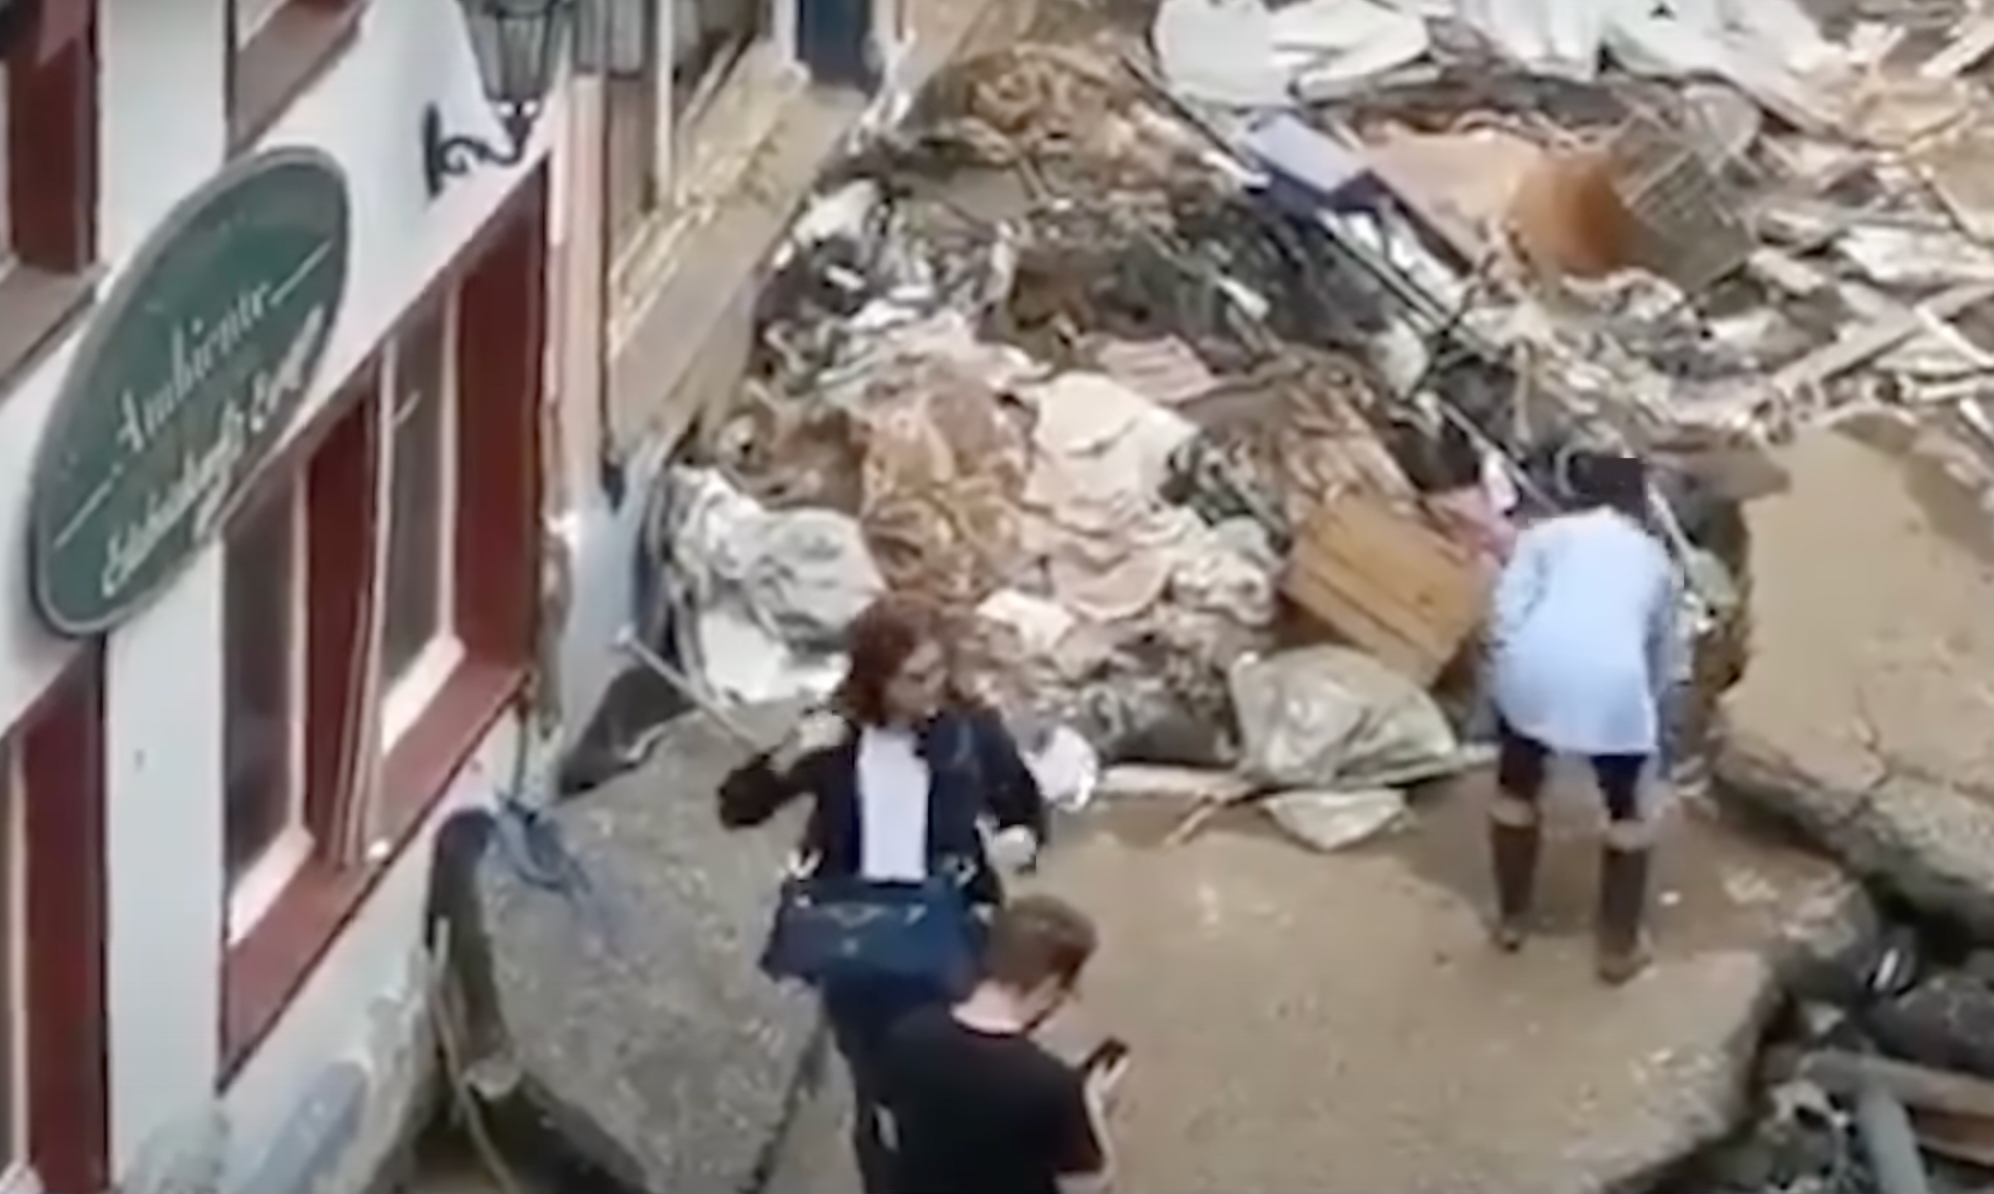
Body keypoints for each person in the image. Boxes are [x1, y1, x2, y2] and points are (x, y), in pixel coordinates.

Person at [718, 596, 1050, 1193]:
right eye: (915, 679)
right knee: (881, 1090)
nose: (933, 689)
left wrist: (1020, 840)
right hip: (860, 943)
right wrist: (790, 754)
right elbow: (736, 807)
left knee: (966, 1081)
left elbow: (1023, 805)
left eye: (938, 671)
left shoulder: (970, 730)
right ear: (876, 681)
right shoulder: (834, 735)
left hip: (953, 933)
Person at [1484, 450, 1682, 984]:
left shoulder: (1542, 537)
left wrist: (1506, 678)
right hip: (1615, 682)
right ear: (1636, 499)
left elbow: (1504, 616)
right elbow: (1664, 654)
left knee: (1515, 790)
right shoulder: (1654, 557)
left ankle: (1512, 920)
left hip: (1532, 666)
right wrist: (1648, 710)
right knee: (1628, 813)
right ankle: (1617, 947)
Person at [880, 894, 1120, 1194]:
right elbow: (1089, 1185)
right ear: (1049, 985)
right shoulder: (1048, 1084)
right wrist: (1092, 1108)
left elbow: (890, 1130)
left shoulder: (909, 1034)